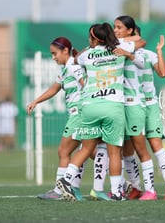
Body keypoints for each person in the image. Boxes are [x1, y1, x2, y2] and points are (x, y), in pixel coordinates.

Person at [56, 23, 146, 201]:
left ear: (94, 39)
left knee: (86, 148)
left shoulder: (87, 55)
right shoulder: (120, 49)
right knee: (114, 152)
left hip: (90, 105)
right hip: (113, 106)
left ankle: (66, 180)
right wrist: (117, 43)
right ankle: (117, 192)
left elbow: (76, 59)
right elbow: (141, 41)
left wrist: (92, 46)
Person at [114, 15, 165, 201]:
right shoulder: (130, 53)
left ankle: (159, 188)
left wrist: (158, 51)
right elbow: (162, 72)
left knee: (144, 147)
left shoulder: (139, 54)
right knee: (134, 148)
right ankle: (148, 187)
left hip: (141, 104)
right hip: (140, 104)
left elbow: (162, 72)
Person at [27, 37, 86, 201]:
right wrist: (36, 101)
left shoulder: (74, 67)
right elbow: (54, 89)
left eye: (55, 53)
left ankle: (59, 191)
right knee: (94, 152)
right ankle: (123, 183)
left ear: (65, 51)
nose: (53, 57)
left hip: (79, 114)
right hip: (78, 114)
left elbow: (87, 84)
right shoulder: (65, 70)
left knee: (64, 151)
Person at [113, 16, 157, 200]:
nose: (115, 30)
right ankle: (134, 187)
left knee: (141, 149)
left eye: (119, 27)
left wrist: (124, 46)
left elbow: (142, 41)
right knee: (124, 152)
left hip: (134, 105)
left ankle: (151, 191)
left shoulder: (131, 47)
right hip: (118, 106)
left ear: (130, 30)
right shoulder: (115, 45)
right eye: (114, 27)